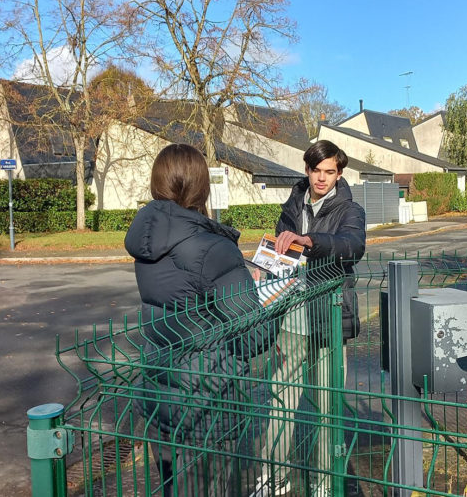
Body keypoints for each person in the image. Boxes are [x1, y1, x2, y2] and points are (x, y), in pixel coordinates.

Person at [125, 143, 267, 497]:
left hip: (159, 395)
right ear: (201, 186)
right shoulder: (213, 248)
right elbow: (254, 336)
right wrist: (264, 298)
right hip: (207, 406)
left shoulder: (146, 241)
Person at [252, 140, 366, 497]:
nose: (321, 178)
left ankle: (323, 483)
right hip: (290, 322)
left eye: (329, 171)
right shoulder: (292, 204)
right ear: (307, 170)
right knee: (280, 403)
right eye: (316, 170)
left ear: (339, 173)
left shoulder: (350, 209)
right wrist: (265, 269)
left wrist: (310, 241)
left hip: (328, 321)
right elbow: (281, 253)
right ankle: (273, 476)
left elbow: (353, 246)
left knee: (327, 409)